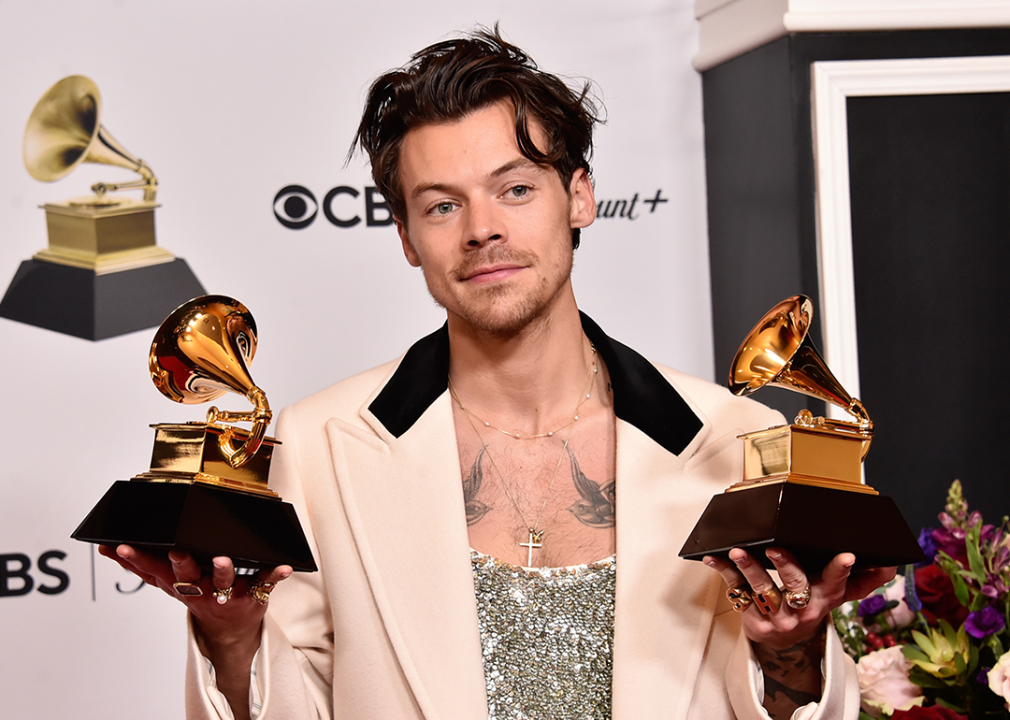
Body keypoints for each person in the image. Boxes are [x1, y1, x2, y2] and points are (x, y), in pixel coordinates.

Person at [102, 27, 893, 720]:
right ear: (407, 237)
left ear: (579, 197)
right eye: (442, 206)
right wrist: (232, 638)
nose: (483, 229)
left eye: (515, 189)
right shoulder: (318, 447)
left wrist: (791, 650)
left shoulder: (736, 438)